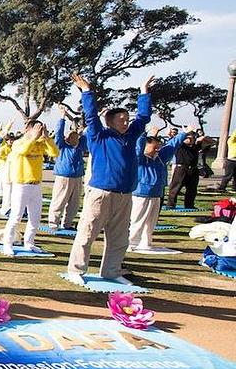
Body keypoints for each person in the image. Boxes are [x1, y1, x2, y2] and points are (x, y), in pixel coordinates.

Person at [66, 73, 153, 284]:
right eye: (121, 120)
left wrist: (144, 92)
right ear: (110, 122)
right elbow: (91, 116)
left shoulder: (130, 136)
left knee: (119, 239)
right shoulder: (99, 136)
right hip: (100, 193)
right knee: (87, 233)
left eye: (126, 119)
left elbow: (143, 119)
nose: (125, 123)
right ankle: (76, 270)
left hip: (124, 195)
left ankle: (112, 271)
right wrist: (86, 91)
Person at [1, 121, 59, 255]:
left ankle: (29, 242)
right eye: (36, 128)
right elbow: (23, 151)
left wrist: (47, 138)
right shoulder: (18, 143)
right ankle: (7, 243)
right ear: (27, 129)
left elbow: (54, 152)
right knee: (16, 216)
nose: (38, 131)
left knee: (35, 217)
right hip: (21, 184)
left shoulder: (40, 143)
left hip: (36, 185)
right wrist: (33, 137)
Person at [130, 125, 191, 250]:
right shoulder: (139, 158)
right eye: (155, 147)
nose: (158, 149)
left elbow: (172, 145)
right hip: (141, 193)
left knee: (151, 222)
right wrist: (144, 133)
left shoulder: (161, 158)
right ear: (147, 147)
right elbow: (138, 146)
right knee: (138, 220)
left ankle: (146, 242)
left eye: (159, 147)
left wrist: (184, 133)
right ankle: (131, 242)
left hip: (157, 193)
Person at [47, 107, 88, 230]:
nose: (74, 138)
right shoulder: (63, 146)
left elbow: (88, 132)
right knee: (59, 200)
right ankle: (53, 223)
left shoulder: (80, 146)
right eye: (71, 136)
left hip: (77, 177)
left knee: (74, 204)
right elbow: (59, 133)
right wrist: (62, 117)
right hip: (64, 177)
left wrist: (94, 118)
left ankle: (67, 223)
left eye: (76, 136)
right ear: (67, 138)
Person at [167, 131, 202, 210]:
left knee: (192, 189)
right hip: (181, 168)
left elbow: (209, 142)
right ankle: (171, 204)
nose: (189, 140)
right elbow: (174, 140)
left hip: (193, 169)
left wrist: (201, 138)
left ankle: (189, 205)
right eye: (188, 138)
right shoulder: (180, 146)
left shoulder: (195, 146)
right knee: (175, 187)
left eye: (191, 138)